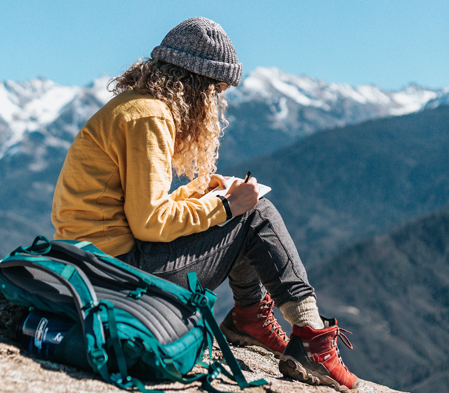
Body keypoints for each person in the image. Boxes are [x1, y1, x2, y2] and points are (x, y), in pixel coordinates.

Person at [51, 17, 359, 391]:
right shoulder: (151, 117)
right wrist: (227, 208)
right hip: (118, 274)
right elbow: (150, 223)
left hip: (93, 263)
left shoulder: (133, 107)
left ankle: (250, 318)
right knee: (255, 213)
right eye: (216, 91)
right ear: (197, 85)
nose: (216, 102)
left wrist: (199, 192)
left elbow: (132, 209)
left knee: (243, 209)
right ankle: (310, 337)